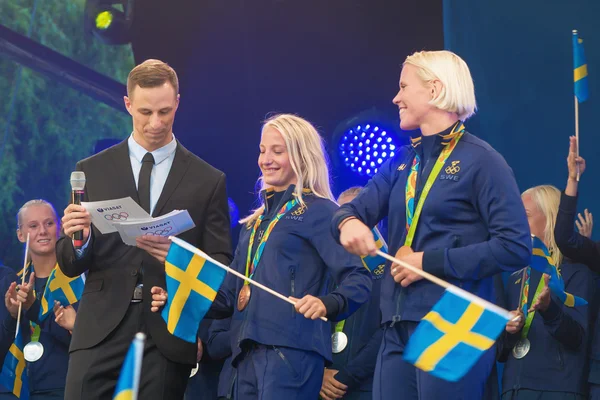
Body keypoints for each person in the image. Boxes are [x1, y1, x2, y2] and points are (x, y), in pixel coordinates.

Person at [331, 50, 531, 400]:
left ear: (435, 89)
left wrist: (426, 261)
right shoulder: (402, 161)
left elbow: (515, 247)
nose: (396, 97)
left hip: (456, 317)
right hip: (396, 321)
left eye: (404, 86)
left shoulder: (483, 161)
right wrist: (347, 222)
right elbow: (351, 211)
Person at [154, 114, 372, 400]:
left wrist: (325, 304)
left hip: (291, 355)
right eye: (262, 150)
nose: (266, 159)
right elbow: (230, 296)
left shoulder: (321, 212)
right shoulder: (254, 224)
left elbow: (359, 277)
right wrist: (178, 294)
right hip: (244, 355)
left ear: (301, 156)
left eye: (277, 151)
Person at [56, 59, 233, 400]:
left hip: (167, 330)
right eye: (145, 112)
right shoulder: (91, 170)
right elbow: (70, 262)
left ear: (178, 102)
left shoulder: (208, 180)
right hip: (98, 329)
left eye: (165, 112)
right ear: (127, 105)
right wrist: (79, 239)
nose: (155, 123)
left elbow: (219, 263)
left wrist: (180, 275)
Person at [499, 185, 594, 399]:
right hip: (513, 390)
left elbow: (579, 339)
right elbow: (502, 353)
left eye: (526, 216)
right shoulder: (516, 278)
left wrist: (549, 309)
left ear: (551, 219)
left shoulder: (577, 272)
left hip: (557, 390)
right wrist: (509, 332)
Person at [1, 200, 77, 399]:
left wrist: (34, 308)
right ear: (20, 234)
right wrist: (11, 315)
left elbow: (84, 340)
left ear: (59, 228)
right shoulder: (13, 285)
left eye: (49, 223)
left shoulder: (80, 281)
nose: (42, 231)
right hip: (17, 390)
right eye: (33, 226)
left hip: (65, 389)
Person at [320, 186, 384, 400]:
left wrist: (347, 376)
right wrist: (320, 371)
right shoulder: (323, 269)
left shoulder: (391, 272)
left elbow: (387, 334)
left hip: (368, 388)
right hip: (319, 384)